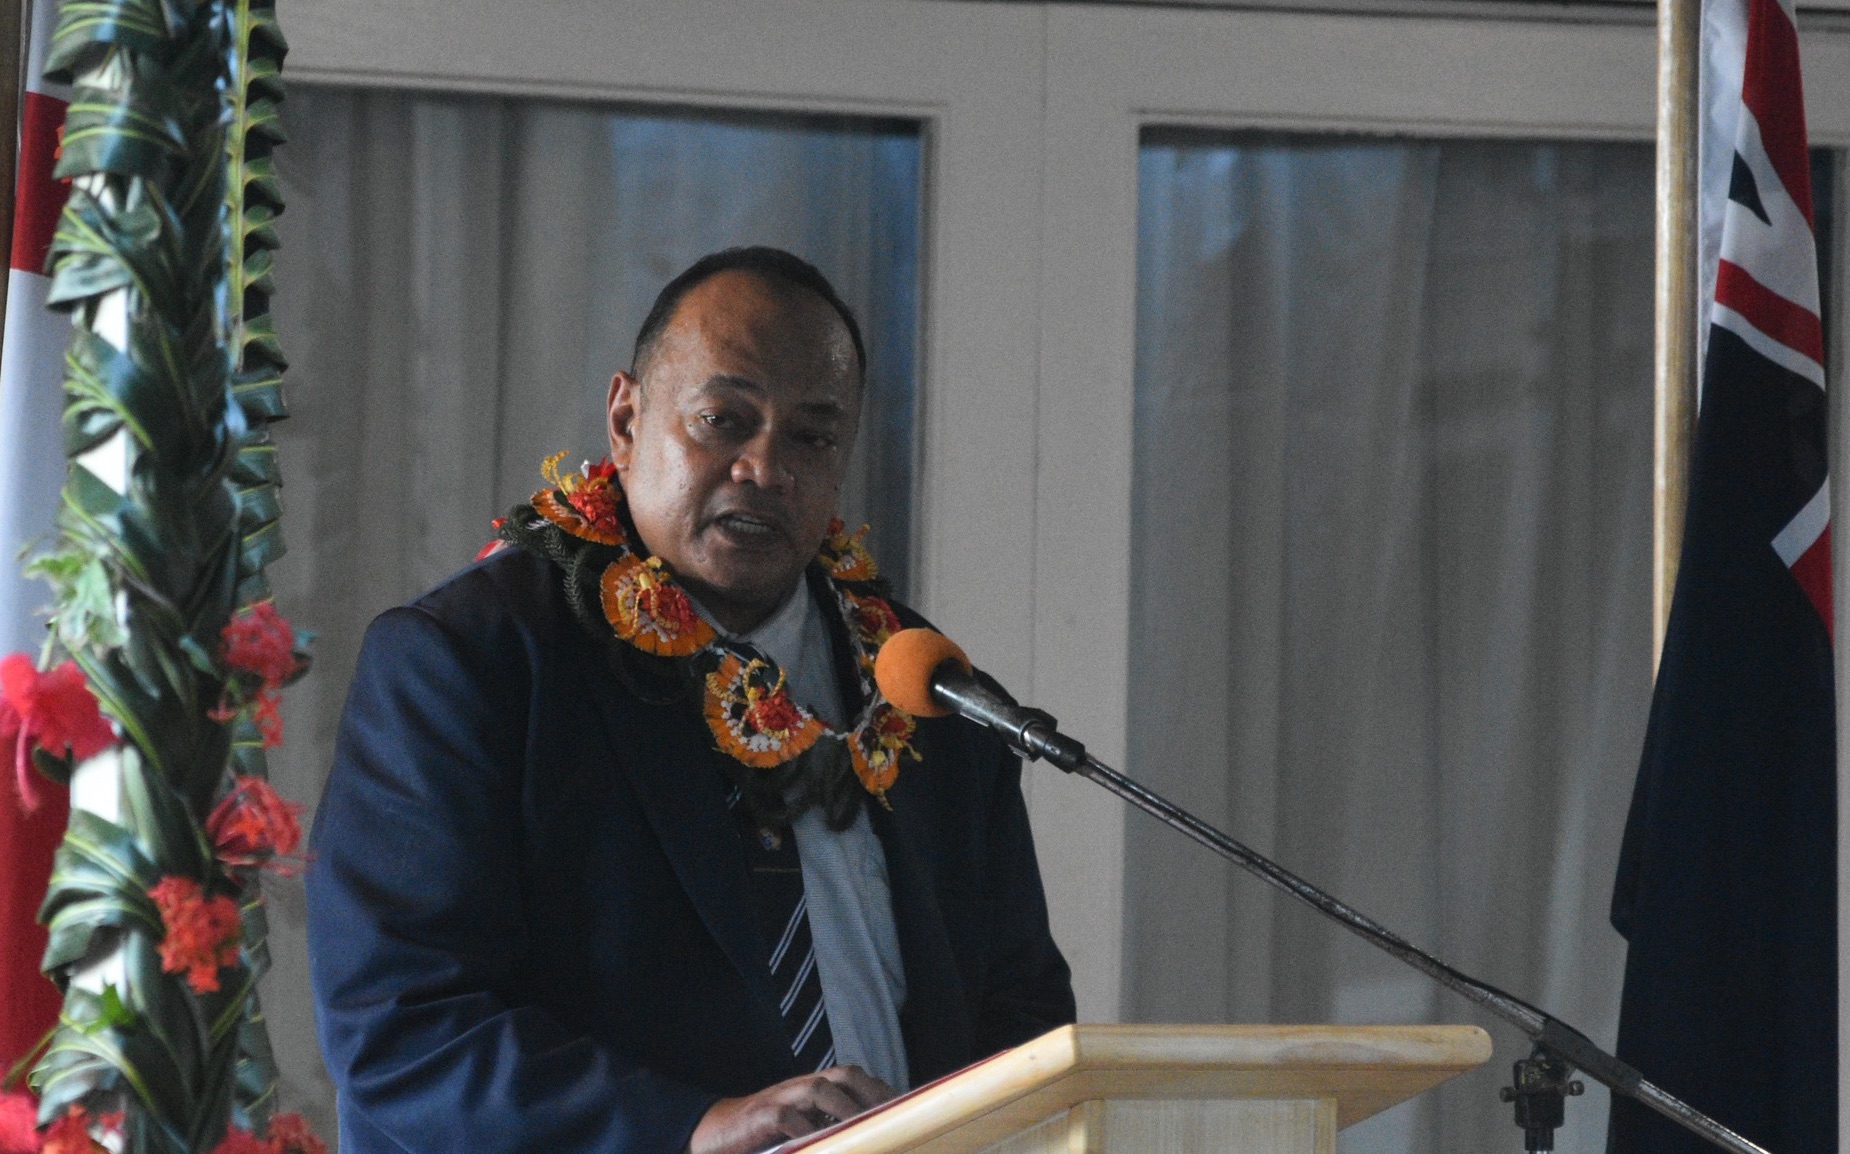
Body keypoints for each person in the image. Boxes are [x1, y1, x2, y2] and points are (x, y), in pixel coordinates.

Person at [305, 247, 1076, 1154]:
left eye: (812, 438)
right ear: (626, 420)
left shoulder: (921, 684)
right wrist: (691, 1130)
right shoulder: (472, 662)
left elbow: (1021, 1015)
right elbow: (403, 1027)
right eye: (724, 421)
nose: (766, 468)